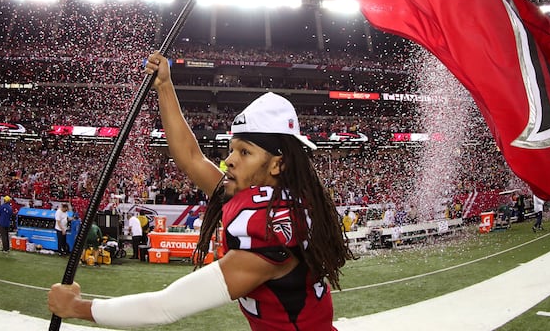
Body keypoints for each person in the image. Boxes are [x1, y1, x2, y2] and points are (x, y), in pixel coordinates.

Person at [49, 51, 353, 329]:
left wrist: (78, 307)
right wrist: (165, 86)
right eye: (232, 149)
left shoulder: (271, 232)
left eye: (245, 152)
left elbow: (164, 308)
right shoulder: (262, 196)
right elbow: (191, 158)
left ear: (277, 165)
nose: (229, 160)